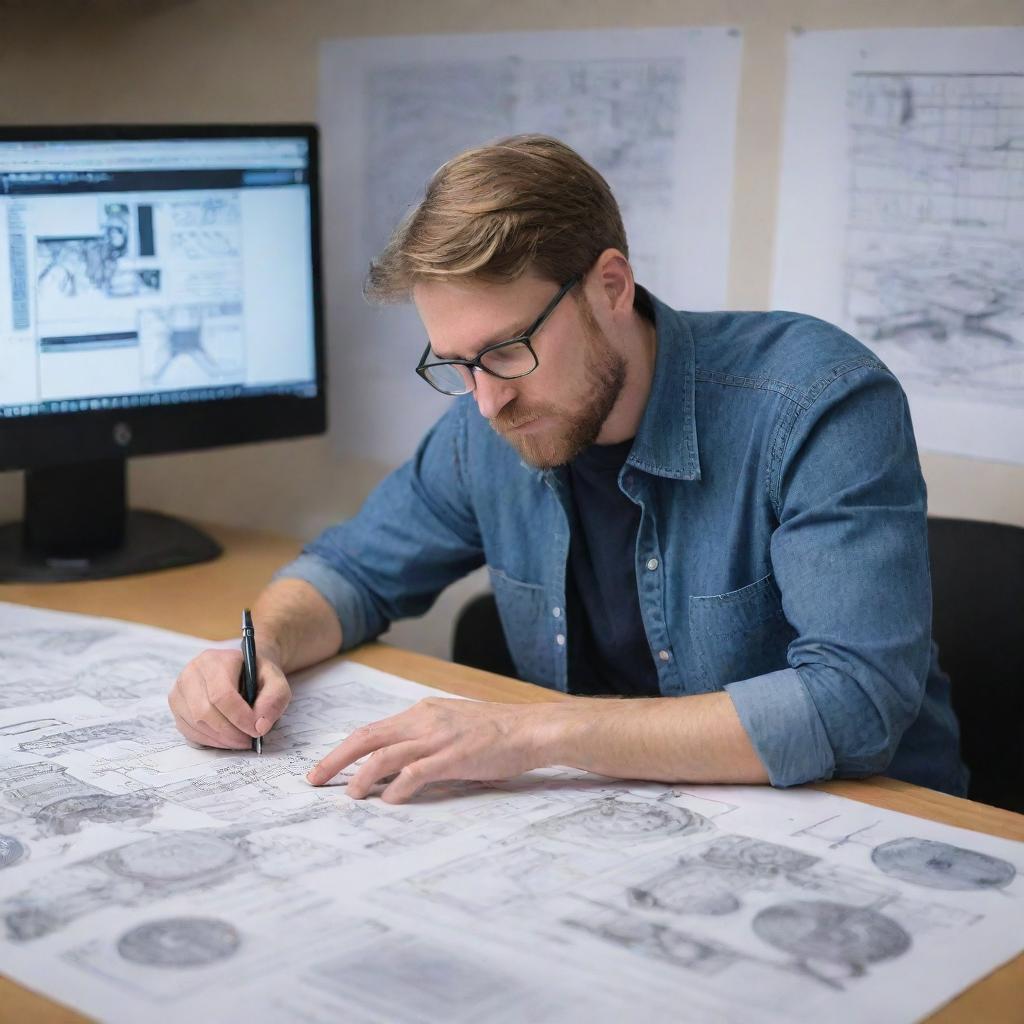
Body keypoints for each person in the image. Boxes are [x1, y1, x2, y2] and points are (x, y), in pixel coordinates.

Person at [168, 135, 967, 805]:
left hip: (870, 824)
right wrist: (257, 648)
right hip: (623, 820)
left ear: (610, 287)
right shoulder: (488, 421)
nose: (487, 402)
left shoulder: (816, 402)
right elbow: (354, 571)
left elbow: (856, 703)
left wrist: (534, 732)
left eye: (508, 350)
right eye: (456, 364)